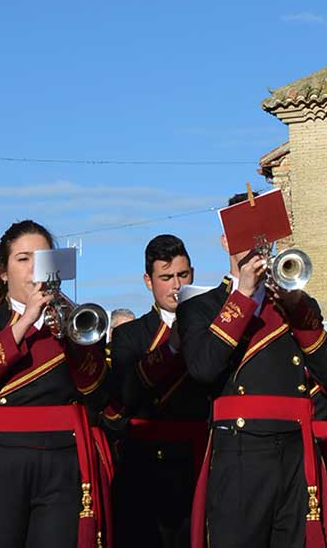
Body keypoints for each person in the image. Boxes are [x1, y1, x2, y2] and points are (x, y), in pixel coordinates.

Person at [176, 194, 327, 548]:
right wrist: (245, 294)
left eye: (265, 239)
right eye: (244, 238)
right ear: (225, 243)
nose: (256, 249)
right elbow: (203, 369)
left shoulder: (294, 302)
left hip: (296, 448)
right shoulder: (200, 305)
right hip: (241, 449)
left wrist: (298, 309)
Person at [0, 220, 112, 548]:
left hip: (62, 462)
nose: (35, 267)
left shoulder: (72, 322)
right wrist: (26, 322)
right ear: (3, 273)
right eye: (23, 259)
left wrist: (77, 341)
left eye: (43, 257)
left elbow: (98, 394)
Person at [108, 234, 205, 548]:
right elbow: (127, 393)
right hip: (147, 465)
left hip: (201, 456)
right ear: (148, 281)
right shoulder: (129, 335)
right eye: (166, 277)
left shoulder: (211, 325)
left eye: (183, 275)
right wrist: (173, 346)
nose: (177, 285)